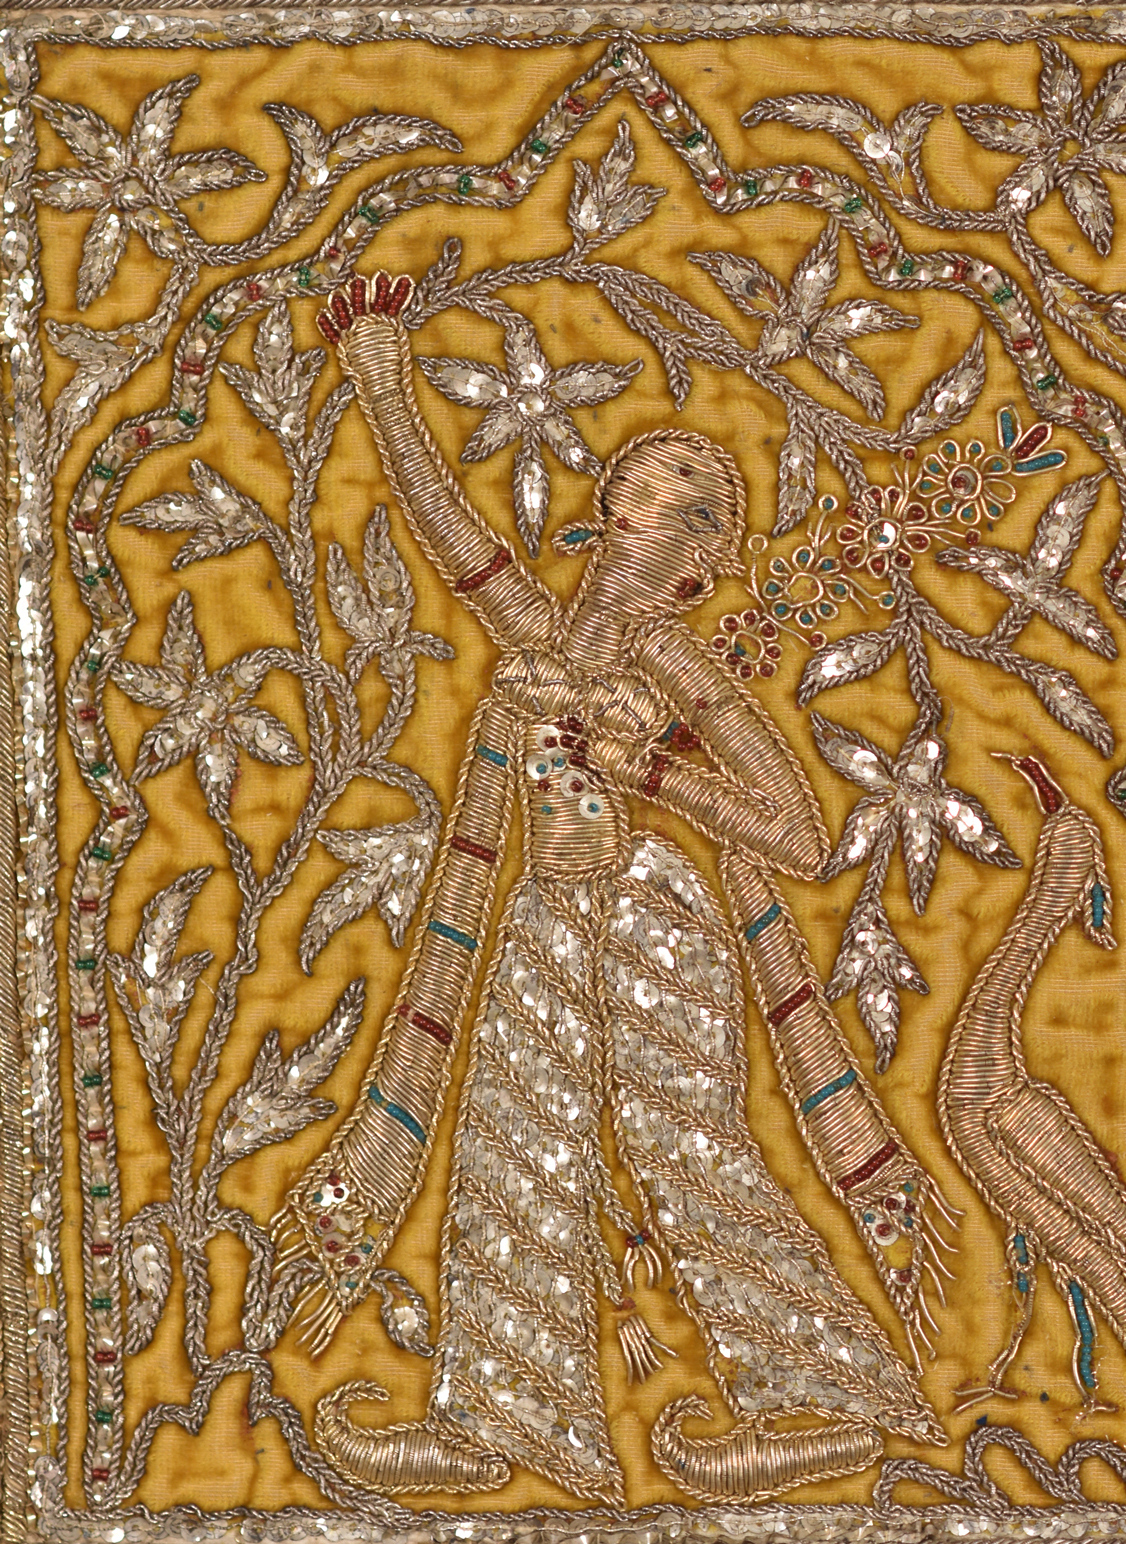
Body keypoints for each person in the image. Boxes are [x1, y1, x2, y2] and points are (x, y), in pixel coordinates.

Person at [276, 272, 942, 1507]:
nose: (631, 497)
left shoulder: (677, 663)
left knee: (683, 1143)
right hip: (543, 908)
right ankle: (507, 1423)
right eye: (631, 484)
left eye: (670, 501)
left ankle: (826, 1401)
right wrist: (379, 372)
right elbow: (445, 524)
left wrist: (658, 772)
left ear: (695, 567)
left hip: (649, 913)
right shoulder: (540, 631)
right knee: (512, 1138)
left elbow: (800, 834)